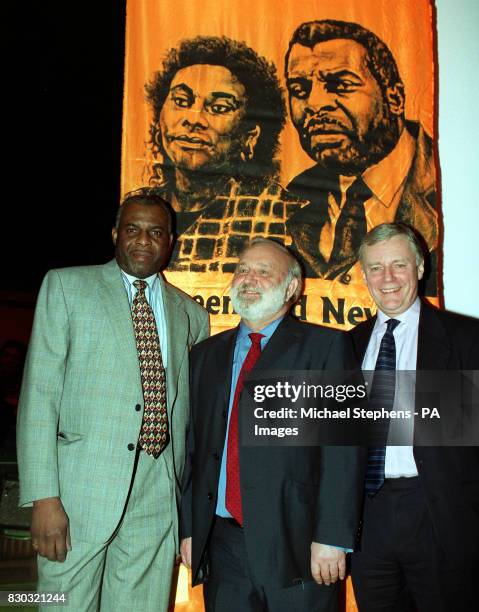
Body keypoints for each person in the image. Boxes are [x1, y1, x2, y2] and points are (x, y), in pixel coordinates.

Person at [16, 193, 209, 611]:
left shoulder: (192, 315)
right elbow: (38, 397)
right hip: (77, 497)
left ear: (170, 241)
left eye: (156, 232)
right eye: (133, 229)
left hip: (157, 499)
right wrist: (43, 498)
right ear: (115, 234)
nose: (143, 240)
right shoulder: (68, 287)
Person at [180, 238, 364, 611]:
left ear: (292, 288)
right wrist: (190, 528)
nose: (249, 279)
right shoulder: (205, 355)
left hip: (300, 546)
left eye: (264, 272)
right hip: (222, 546)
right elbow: (194, 449)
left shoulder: (326, 348)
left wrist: (332, 537)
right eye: (243, 270)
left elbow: (343, 453)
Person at [349, 222, 479, 611]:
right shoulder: (347, 345)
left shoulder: (471, 341)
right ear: (364, 275)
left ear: (420, 267)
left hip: (439, 516)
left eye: (399, 264)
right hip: (368, 519)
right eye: (376, 268)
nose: (388, 278)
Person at [284, 19, 439, 296]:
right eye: (299, 90)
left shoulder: (451, 192)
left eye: (340, 85)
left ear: (395, 99)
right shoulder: (290, 196)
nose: (315, 104)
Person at [141, 35, 302, 273]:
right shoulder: (139, 208)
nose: (194, 120)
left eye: (219, 108)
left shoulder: (279, 214)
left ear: (250, 135)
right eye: (181, 100)